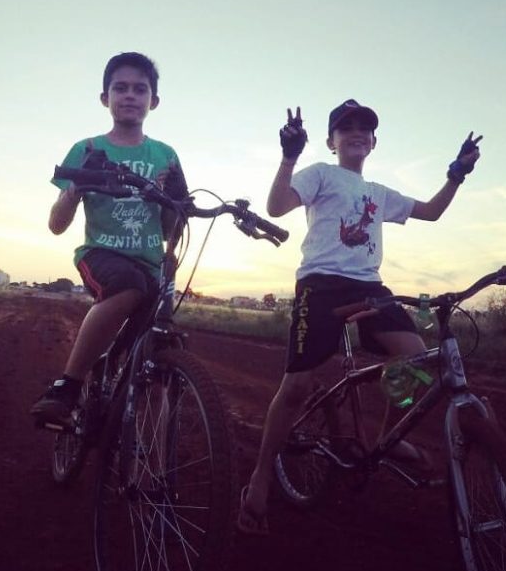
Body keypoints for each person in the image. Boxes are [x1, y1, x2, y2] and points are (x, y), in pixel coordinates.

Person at [237, 99, 480, 534]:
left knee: (415, 359)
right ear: (331, 142)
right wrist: (289, 156)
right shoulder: (320, 174)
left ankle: (390, 437)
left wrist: (456, 175)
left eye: (364, 128)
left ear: (373, 142)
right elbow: (276, 207)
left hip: (370, 288)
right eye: (345, 127)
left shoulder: (379, 193)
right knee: (296, 386)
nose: (356, 133)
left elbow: (431, 211)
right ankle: (260, 474)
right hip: (320, 285)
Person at [30, 51, 186, 429]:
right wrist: (76, 187)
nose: (130, 95)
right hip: (101, 255)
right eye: (121, 88)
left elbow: (170, 231)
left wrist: (173, 201)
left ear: (154, 101)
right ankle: (67, 388)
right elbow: (56, 224)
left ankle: (141, 454)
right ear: (105, 98)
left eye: (140, 89)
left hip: (152, 265)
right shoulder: (86, 149)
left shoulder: (166, 155)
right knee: (128, 285)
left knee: (156, 349)